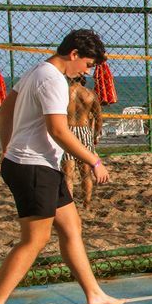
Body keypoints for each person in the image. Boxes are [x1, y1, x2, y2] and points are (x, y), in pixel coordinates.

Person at [0, 29, 124, 304]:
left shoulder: (37, 70)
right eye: (87, 64)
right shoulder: (54, 80)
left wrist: (8, 147)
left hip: (39, 163)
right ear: (74, 54)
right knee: (36, 239)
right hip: (33, 167)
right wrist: (94, 160)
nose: (87, 71)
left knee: (71, 226)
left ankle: (93, 293)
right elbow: (59, 130)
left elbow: (5, 109)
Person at [64, 73, 103, 212]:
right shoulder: (89, 94)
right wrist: (96, 135)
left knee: (68, 173)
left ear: (69, 78)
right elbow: (98, 118)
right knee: (86, 172)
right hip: (84, 129)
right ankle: (87, 204)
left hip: (67, 130)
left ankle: (69, 205)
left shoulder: (64, 92)